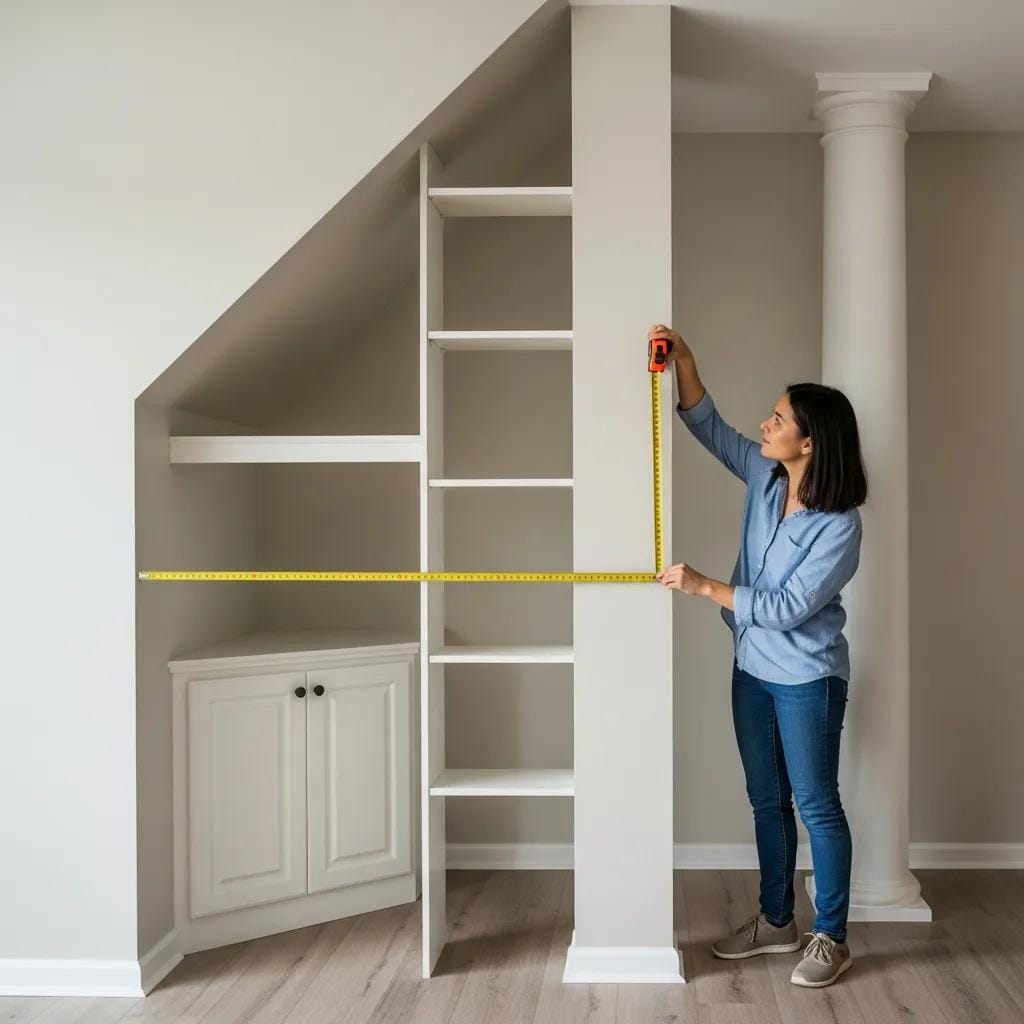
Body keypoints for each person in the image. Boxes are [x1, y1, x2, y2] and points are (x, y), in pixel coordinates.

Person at [650, 323, 868, 989]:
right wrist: (686, 360)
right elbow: (709, 428)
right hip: (751, 669)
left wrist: (705, 587)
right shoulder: (767, 477)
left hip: (806, 679)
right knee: (766, 799)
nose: (764, 426)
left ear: (810, 442)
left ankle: (831, 937)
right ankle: (777, 922)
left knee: (817, 804)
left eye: (777, 420)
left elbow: (787, 607)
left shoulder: (840, 525)